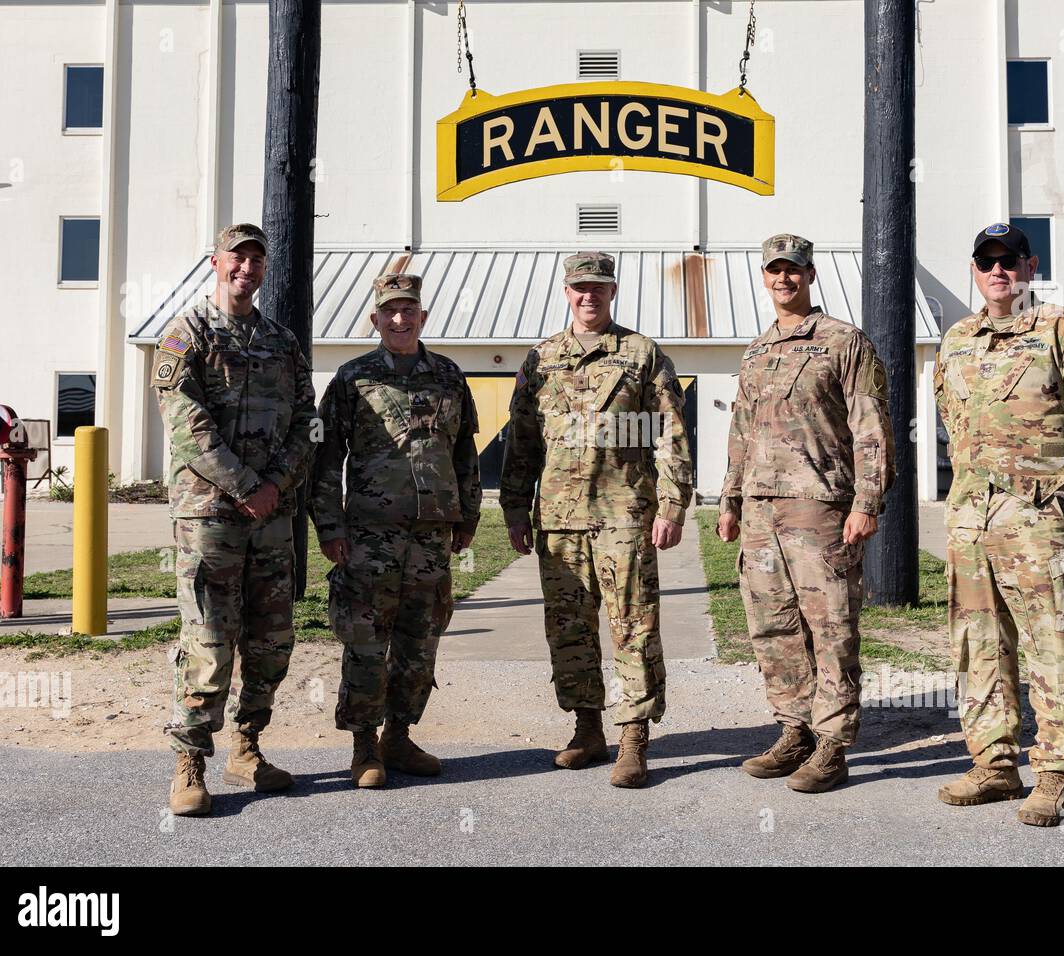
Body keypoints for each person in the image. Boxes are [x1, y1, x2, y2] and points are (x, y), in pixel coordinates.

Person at [934, 222, 1064, 826]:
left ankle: (1055, 777)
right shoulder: (957, 339)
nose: (999, 271)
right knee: (979, 645)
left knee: (1053, 642)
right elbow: (951, 418)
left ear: (1030, 266)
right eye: (987, 261)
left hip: (1039, 519)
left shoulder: (1062, 328)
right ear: (974, 270)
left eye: (1009, 260)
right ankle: (994, 765)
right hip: (971, 517)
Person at [500, 252, 693, 789]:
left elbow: (670, 432)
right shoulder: (541, 359)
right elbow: (522, 441)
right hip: (559, 517)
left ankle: (633, 737)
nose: (589, 296)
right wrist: (515, 508)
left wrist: (673, 504)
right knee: (569, 627)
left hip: (624, 514)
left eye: (599, 287)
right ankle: (587, 727)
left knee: (634, 625)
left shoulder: (641, 354)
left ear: (613, 291)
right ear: (567, 291)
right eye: (580, 287)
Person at [717, 233, 895, 794]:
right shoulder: (756, 351)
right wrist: (730, 498)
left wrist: (867, 501)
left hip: (820, 507)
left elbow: (872, 426)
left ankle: (833, 745)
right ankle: (793, 729)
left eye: (793, 269)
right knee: (773, 626)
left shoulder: (844, 341)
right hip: (759, 511)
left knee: (831, 626)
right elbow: (741, 430)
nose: (783, 279)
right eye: (774, 270)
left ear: (810, 275)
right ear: (764, 277)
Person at [155, 223, 317, 817]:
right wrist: (247, 485)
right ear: (216, 262)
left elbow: (307, 421)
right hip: (211, 515)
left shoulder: (281, 342)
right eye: (237, 257)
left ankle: (247, 746)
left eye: (256, 259)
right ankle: (190, 760)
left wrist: (275, 485)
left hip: (271, 514)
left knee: (272, 639)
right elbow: (186, 424)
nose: (246, 268)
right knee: (209, 638)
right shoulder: (187, 334)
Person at [309, 272, 481, 788]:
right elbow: (326, 459)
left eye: (409, 311)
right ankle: (364, 745)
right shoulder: (352, 379)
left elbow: (464, 452)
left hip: (430, 537)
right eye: (390, 311)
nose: (400, 319)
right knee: (365, 641)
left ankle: (398, 737)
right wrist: (329, 526)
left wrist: (468, 516)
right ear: (376, 319)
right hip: (368, 536)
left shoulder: (448, 376)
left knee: (420, 640)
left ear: (422, 317)